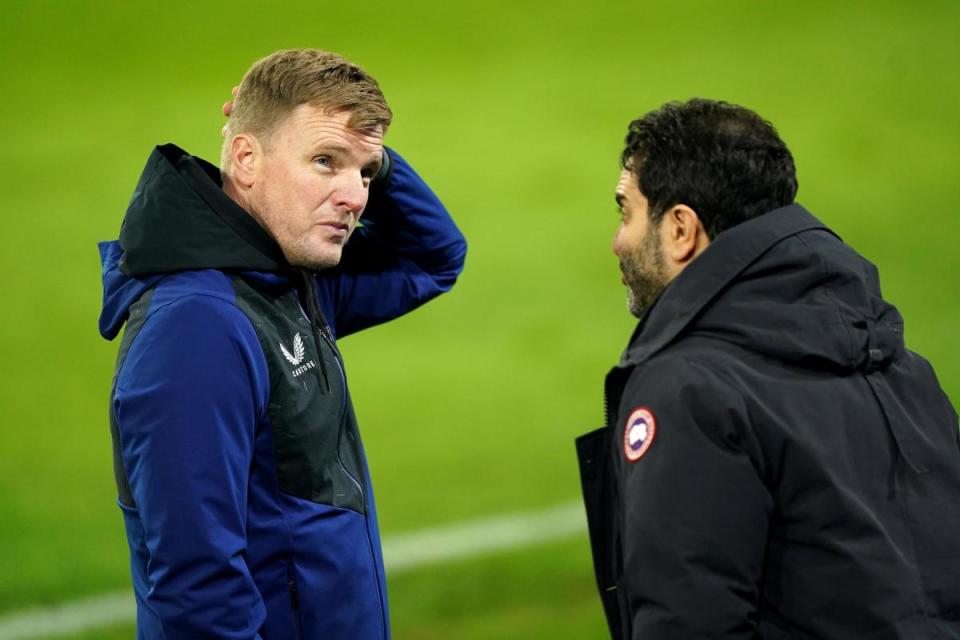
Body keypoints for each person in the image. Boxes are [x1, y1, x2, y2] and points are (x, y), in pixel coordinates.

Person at [98, 49, 466, 639]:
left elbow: (433, 258)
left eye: (365, 174)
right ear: (245, 158)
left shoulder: (286, 283)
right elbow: (199, 592)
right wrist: (357, 150)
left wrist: (370, 153)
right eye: (325, 161)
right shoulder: (197, 328)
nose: (356, 197)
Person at [576, 98, 960, 639]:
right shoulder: (899, 365)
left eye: (627, 212)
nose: (618, 241)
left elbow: (688, 620)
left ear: (681, 229)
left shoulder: (689, 390)